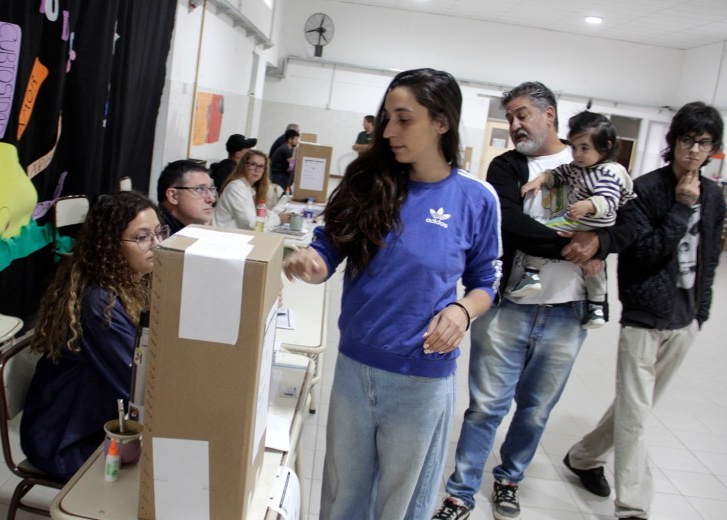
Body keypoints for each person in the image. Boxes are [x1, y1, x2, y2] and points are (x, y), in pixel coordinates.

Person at [284, 68, 500, 520]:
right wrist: (313, 261)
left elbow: (486, 283)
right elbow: (329, 248)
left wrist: (462, 311)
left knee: (402, 504)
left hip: (421, 377)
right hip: (355, 369)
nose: (388, 131)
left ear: (442, 122)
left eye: (404, 119)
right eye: (387, 118)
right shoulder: (369, 184)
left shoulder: (476, 198)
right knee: (345, 495)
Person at [434, 81, 601, 520]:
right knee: (486, 407)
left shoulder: (591, 162)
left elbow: (627, 219)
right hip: (508, 307)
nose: (514, 124)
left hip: (567, 311)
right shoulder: (507, 167)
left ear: (550, 115)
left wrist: (600, 240)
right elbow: (508, 225)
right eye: (510, 116)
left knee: (536, 409)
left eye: (522, 114)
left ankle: (508, 479)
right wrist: (575, 245)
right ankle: (461, 493)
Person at [562, 102, 726, 520]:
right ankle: (633, 506)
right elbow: (644, 255)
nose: (693, 150)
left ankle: (582, 457)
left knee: (636, 406)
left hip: (684, 319)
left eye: (703, 143)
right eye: (687, 140)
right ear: (674, 142)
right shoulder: (645, 191)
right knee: (636, 415)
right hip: (644, 316)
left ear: (713, 149)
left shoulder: (714, 196)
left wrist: (700, 314)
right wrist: (680, 208)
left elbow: (711, 258)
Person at [20, 191, 168, 479]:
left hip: (100, 420)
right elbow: (138, 385)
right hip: (68, 441)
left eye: (159, 232)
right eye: (142, 237)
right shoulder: (100, 303)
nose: (157, 244)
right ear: (111, 246)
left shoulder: (133, 282)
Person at [512, 110, 635, 329]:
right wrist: (539, 180)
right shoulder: (580, 167)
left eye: (584, 148)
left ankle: (591, 303)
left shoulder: (610, 172)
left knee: (555, 237)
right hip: (577, 219)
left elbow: (608, 200)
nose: (577, 154)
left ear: (605, 146)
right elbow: (559, 173)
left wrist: (588, 206)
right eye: (574, 147)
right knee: (584, 261)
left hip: (595, 224)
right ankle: (590, 303)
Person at [212, 149, 289, 230]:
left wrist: (276, 215)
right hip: (223, 237)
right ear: (244, 166)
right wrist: (278, 219)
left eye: (261, 166)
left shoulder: (248, 188)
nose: (257, 170)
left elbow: (257, 213)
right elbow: (251, 223)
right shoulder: (236, 187)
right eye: (253, 164)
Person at [156, 159, 216, 234]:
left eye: (211, 189)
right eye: (200, 189)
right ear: (173, 196)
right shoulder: (155, 238)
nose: (212, 199)